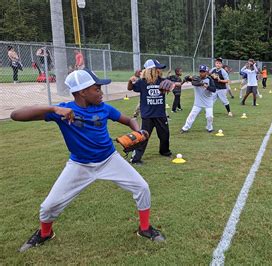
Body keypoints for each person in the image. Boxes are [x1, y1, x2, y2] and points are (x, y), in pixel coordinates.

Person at [11, 69, 166, 252]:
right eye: (97, 88)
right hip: (80, 165)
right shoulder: (64, 110)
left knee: (142, 187)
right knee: (49, 205)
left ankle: (145, 228)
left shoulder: (104, 108)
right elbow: (16, 115)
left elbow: (129, 120)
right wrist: (53, 108)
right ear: (82, 92)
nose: (101, 92)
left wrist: (137, 131)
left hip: (109, 159)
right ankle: (45, 233)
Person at [127, 59, 175, 165]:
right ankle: (135, 158)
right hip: (147, 115)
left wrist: (172, 84)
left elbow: (172, 86)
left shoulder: (162, 81)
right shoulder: (142, 82)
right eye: (157, 68)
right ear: (151, 70)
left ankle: (164, 151)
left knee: (165, 134)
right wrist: (130, 81)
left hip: (160, 114)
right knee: (143, 137)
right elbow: (130, 88)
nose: (159, 70)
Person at [181, 65, 217, 133]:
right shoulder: (196, 78)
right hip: (198, 102)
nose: (201, 73)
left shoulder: (209, 79)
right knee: (192, 115)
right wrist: (186, 79)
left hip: (208, 101)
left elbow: (214, 89)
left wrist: (206, 86)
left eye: (203, 71)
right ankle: (185, 128)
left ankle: (209, 128)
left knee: (210, 116)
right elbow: (187, 78)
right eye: (200, 71)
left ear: (206, 72)